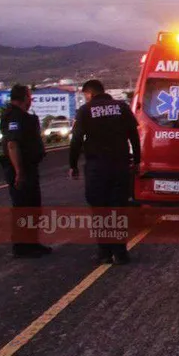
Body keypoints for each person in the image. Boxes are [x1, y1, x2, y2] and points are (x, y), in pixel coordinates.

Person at [69, 80, 140, 264]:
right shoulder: (121, 107)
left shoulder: (85, 111)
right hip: (120, 166)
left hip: (97, 168)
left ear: (90, 94)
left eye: (85, 96)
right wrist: (138, 160)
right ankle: (121, 253)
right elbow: (134, 135)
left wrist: (73, 165)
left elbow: (76, 140)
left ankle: (105, 253)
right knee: (118, 208)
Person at [0, 84, 51, 258]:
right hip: (21, 169)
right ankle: (22, 247)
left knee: (32, 206)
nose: (31, 100)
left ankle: (32, 243)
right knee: (23, 207)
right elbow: (12, 144)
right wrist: (19, 172)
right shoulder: (14, 116)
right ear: (23, 97)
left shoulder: (22, 116)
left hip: (28, 167)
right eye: (29, 96)